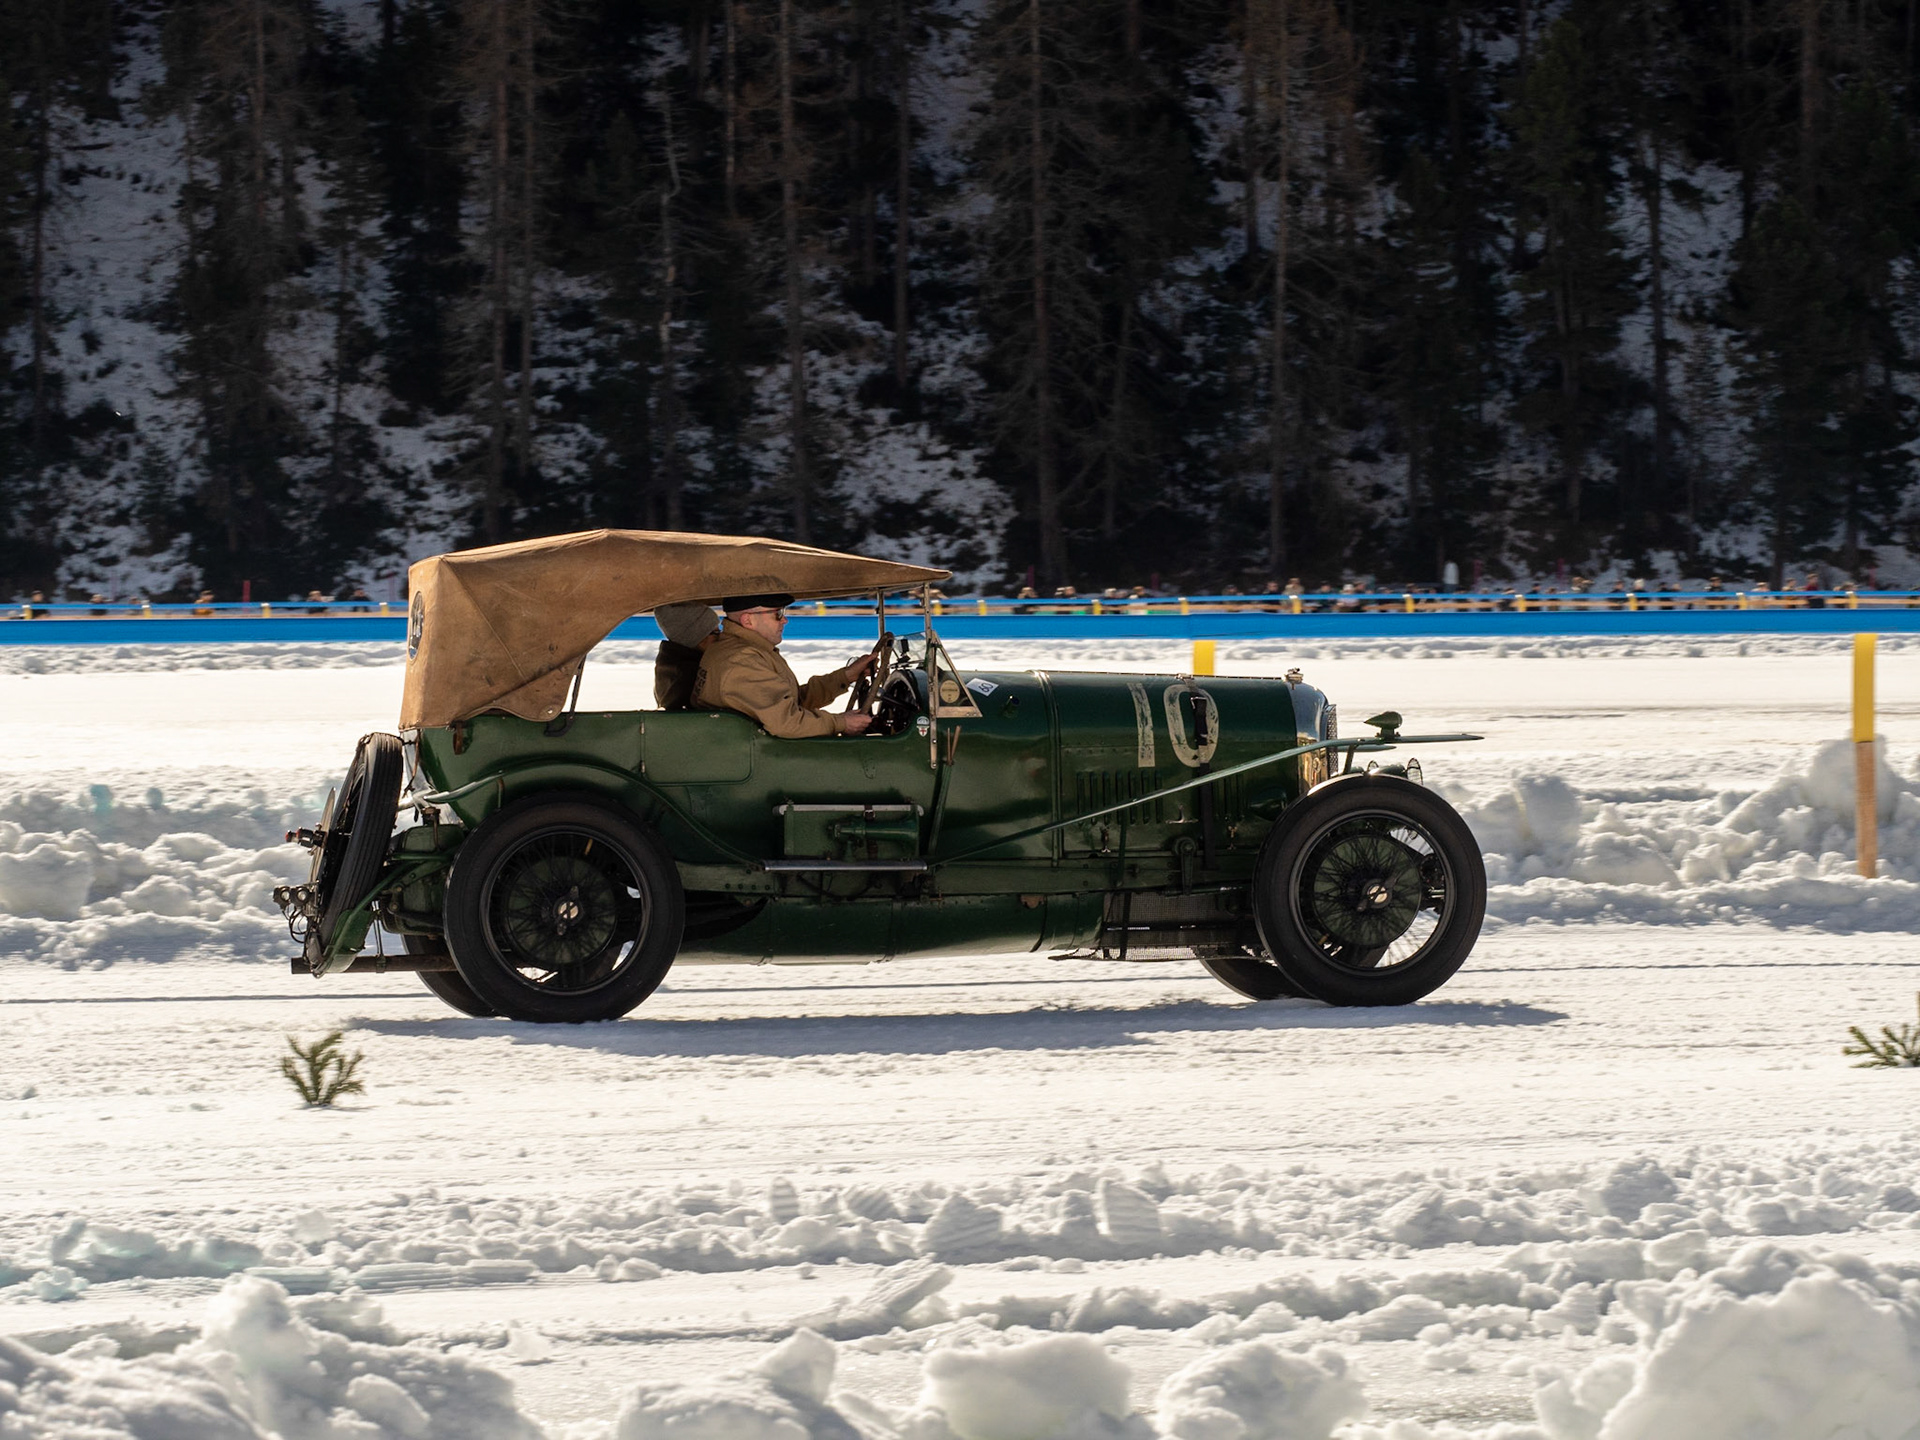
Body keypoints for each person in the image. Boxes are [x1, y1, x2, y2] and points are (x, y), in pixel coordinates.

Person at [691, 593, 877, 737]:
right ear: (748, 620)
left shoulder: (749, 650)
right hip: (754, 760)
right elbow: (786, 723)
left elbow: (792, 702)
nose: (784, 620)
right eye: (777, 614)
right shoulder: (743, 660)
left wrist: (846, 676)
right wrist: (841, 723)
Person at [653, 600, 721, 710]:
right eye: (715, 633)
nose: (720, 637)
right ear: (696, 638)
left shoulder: (671, 664)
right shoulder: (689, 673)